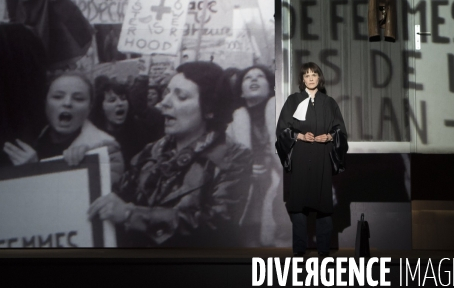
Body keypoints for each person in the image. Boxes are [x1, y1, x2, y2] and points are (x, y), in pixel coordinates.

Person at [87, 61, 252, 247]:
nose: (164, 102)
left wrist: (131, 214)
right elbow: (116, 199)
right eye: (167, 93)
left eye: (181, 97)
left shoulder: (234, 158)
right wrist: (88, 165)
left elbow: (216, 225)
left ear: (210, 109)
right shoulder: (151, 150)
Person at [276, 62, 347, 256]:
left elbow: (340, 130)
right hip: (300, 157)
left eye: (314, 74)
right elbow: (282, 129)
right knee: (299, 208)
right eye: (307, 75)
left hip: (321, 158)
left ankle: (324, 255)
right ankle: (299, 255)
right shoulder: (293, 100)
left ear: (319, 78)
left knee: (323, 208)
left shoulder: (329, 102)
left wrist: (329, 136)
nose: (311, 78)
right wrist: (299, 136)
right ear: (302, 79)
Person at [2, 72, 123, 184]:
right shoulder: (31, 136)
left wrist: (35, 172)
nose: (67, 103)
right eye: (58, 97)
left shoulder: (105, 150)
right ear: (45, 102)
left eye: (78, 98)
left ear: (90, 108)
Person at [227, 65, 289, 247]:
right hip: (247, 198)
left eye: (260, 76)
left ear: (270, 87)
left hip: (282, 192)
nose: (254, 79)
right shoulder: (231, 123)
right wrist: (243, 167)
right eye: (247, 78)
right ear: (241, 92)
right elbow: (223, 160)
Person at [91, 75, 164, 165]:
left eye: (123, 99)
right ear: (101, 108)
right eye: (112, 100)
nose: (120, 103)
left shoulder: (139, 130)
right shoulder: (93, 136)